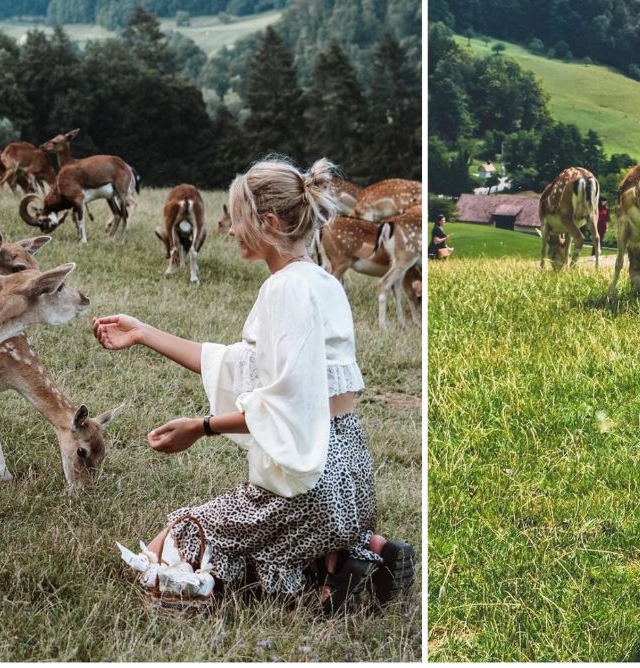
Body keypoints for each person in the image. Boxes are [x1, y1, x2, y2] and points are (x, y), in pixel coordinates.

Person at [93, 157, 414, 613]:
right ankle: (355, 556)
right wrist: (143, 332)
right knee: (252, 548)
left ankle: (335, 575)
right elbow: (236, 364)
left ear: (266, 223)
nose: (229, 230)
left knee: (174, 543)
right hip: (353, 477)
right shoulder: (323, 283)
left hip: (310, 485)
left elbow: (288, 405)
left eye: (236, 219)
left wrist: (200, 427)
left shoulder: (284, 290)